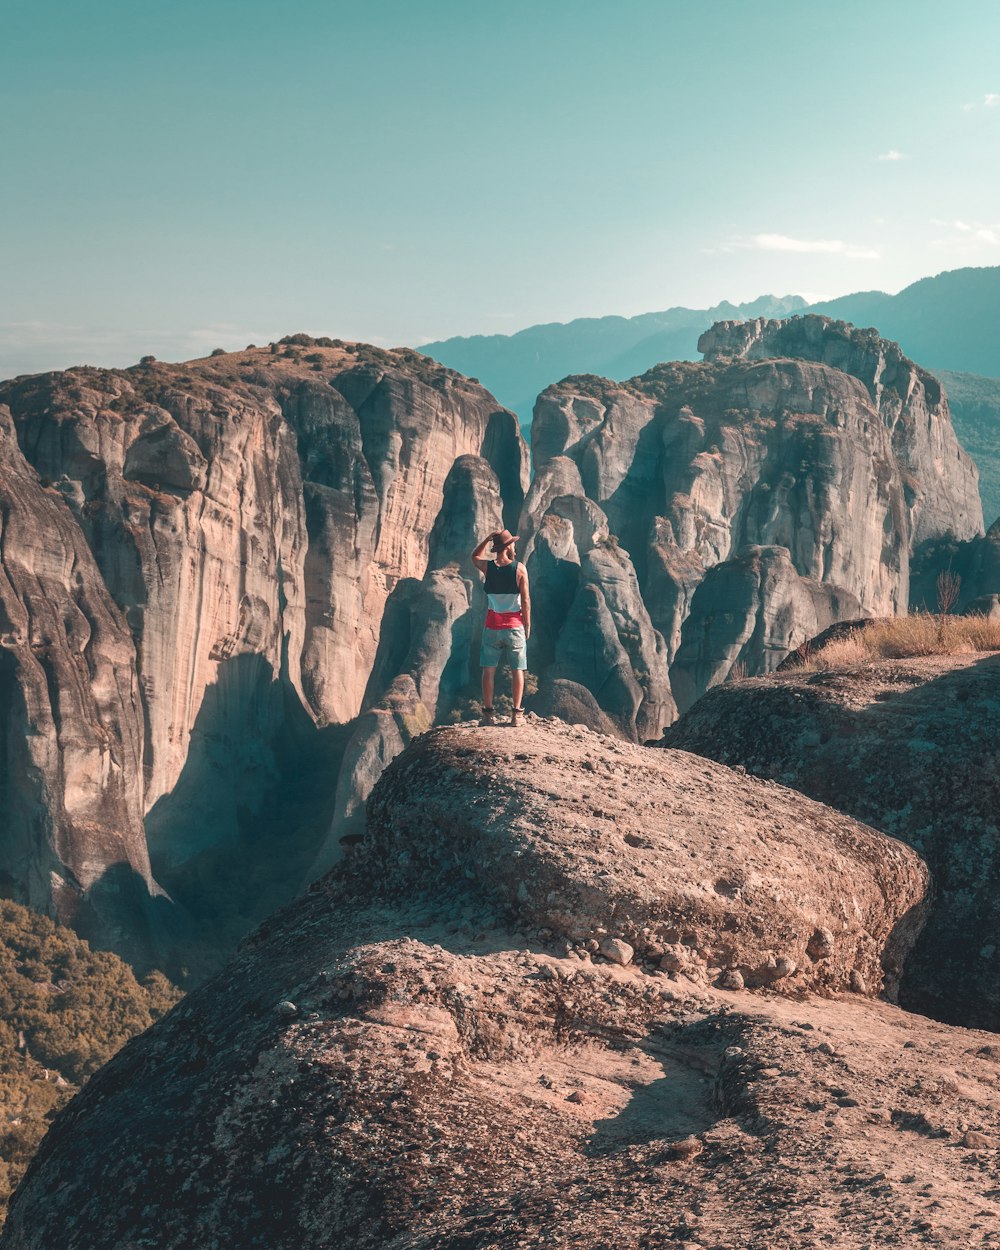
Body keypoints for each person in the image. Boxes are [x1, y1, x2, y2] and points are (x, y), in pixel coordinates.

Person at [471, 528, 531, 726]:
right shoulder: (519, 568)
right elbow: (526, 599)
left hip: (492, 626)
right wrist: (527, 624)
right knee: (517, 670)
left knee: (488, 670)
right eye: (512, 543)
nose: (514, 545)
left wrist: (487, 539)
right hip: (515, 626)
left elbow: (474, 556)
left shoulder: (488, 567)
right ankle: (517, 715)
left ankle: (488, 715)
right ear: (508, 547)